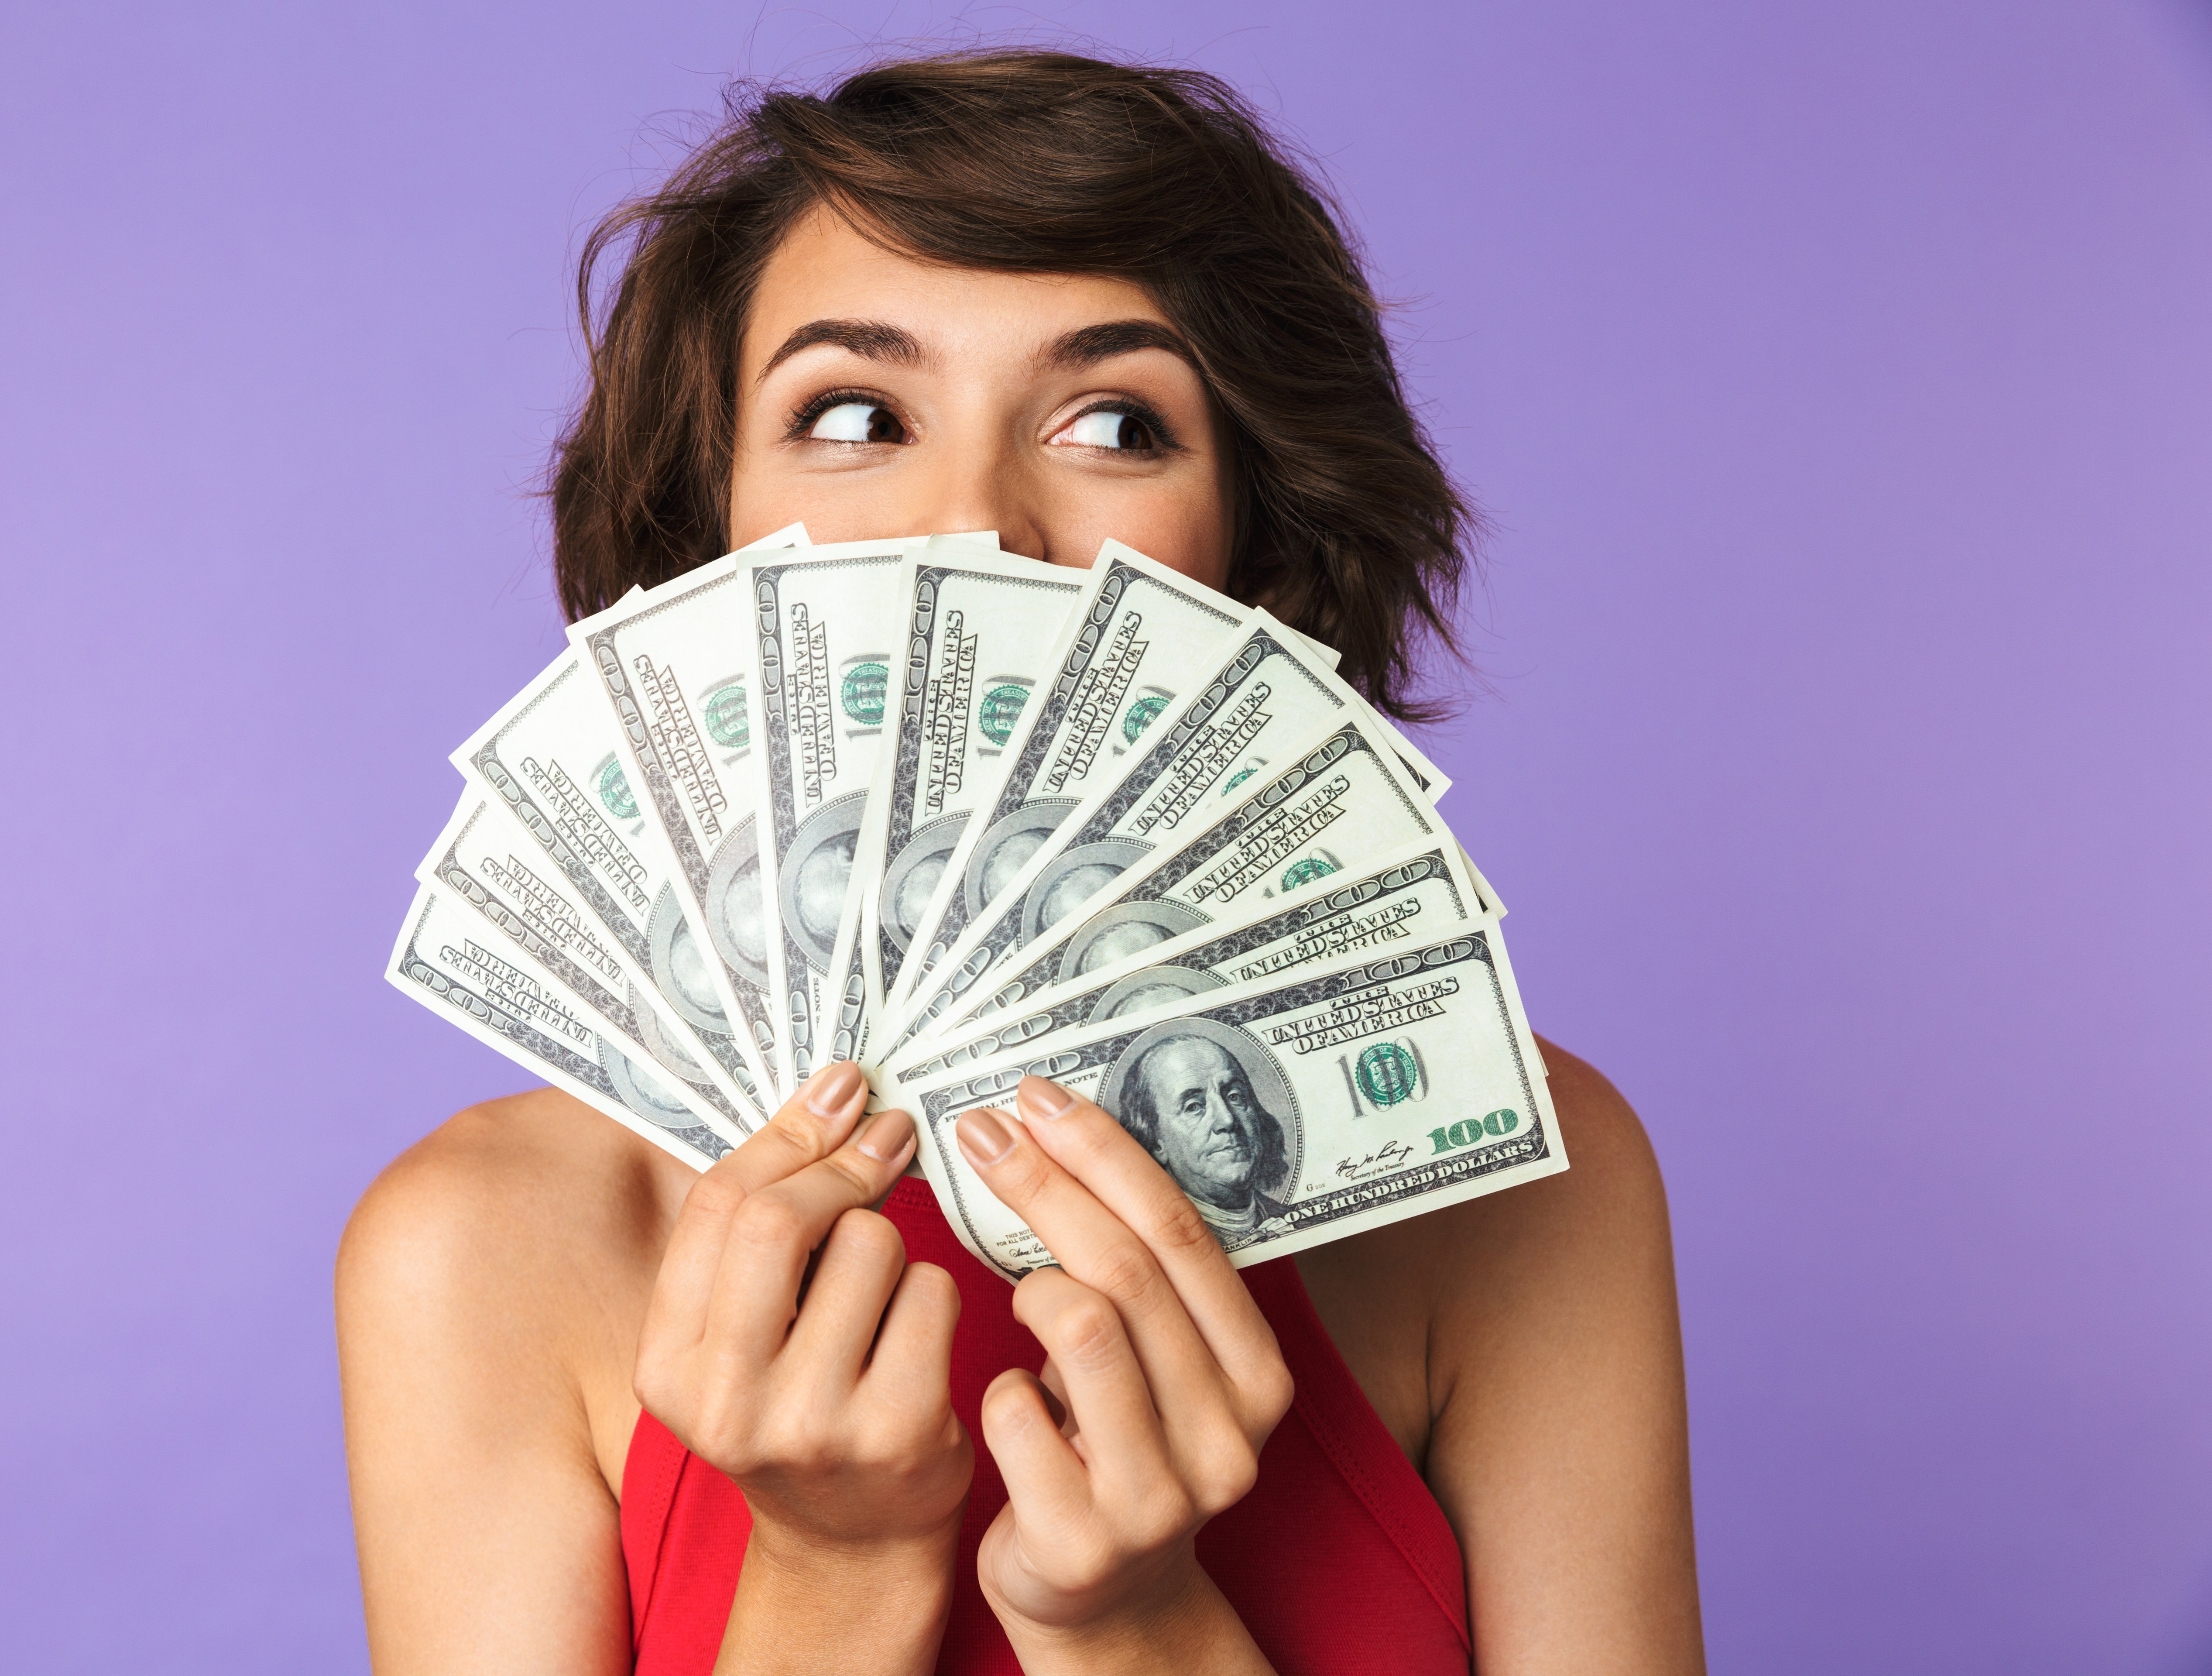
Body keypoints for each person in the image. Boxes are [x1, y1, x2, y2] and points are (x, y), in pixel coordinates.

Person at [337, 49, 1702, 1676]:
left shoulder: (1524, 1198)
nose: (974, 530)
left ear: (1253, 558)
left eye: (1113, 421)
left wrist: (1134, 1633)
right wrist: (828, 1573)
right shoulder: (480, 1254)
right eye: (854, 416)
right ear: (707, 538)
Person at [1111, 1032, 1292, 1247]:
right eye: (1194, 1107)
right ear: (1156, 1141)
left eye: (1235, 1096)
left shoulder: (1292, 1217)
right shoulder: (1141, 1244)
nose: (1227, 1120)